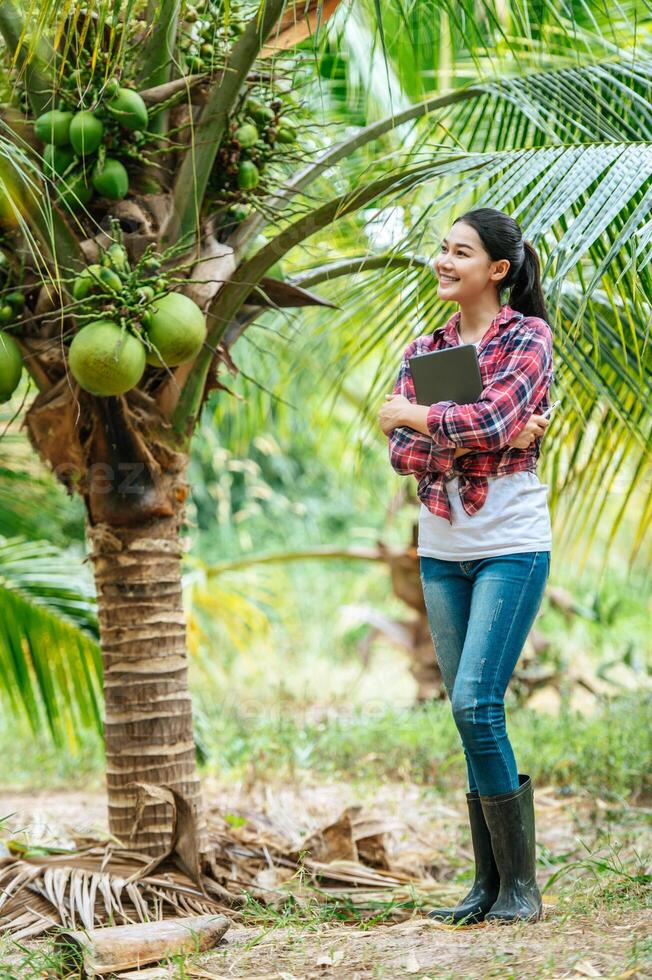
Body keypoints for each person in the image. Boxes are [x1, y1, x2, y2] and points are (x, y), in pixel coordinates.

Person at [379, 207, 555, 925]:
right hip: (441, 550)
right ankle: (487, 886)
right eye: (441, 250)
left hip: (511, 543)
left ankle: (522, 888)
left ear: (498, 269)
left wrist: (417, 415)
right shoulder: (430, 347)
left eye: (460, 251)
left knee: (475, 702)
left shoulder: (528, 338)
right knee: (468, 716)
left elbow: (462, 424)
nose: (443, 261)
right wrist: (489, 428)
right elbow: (403, 455)